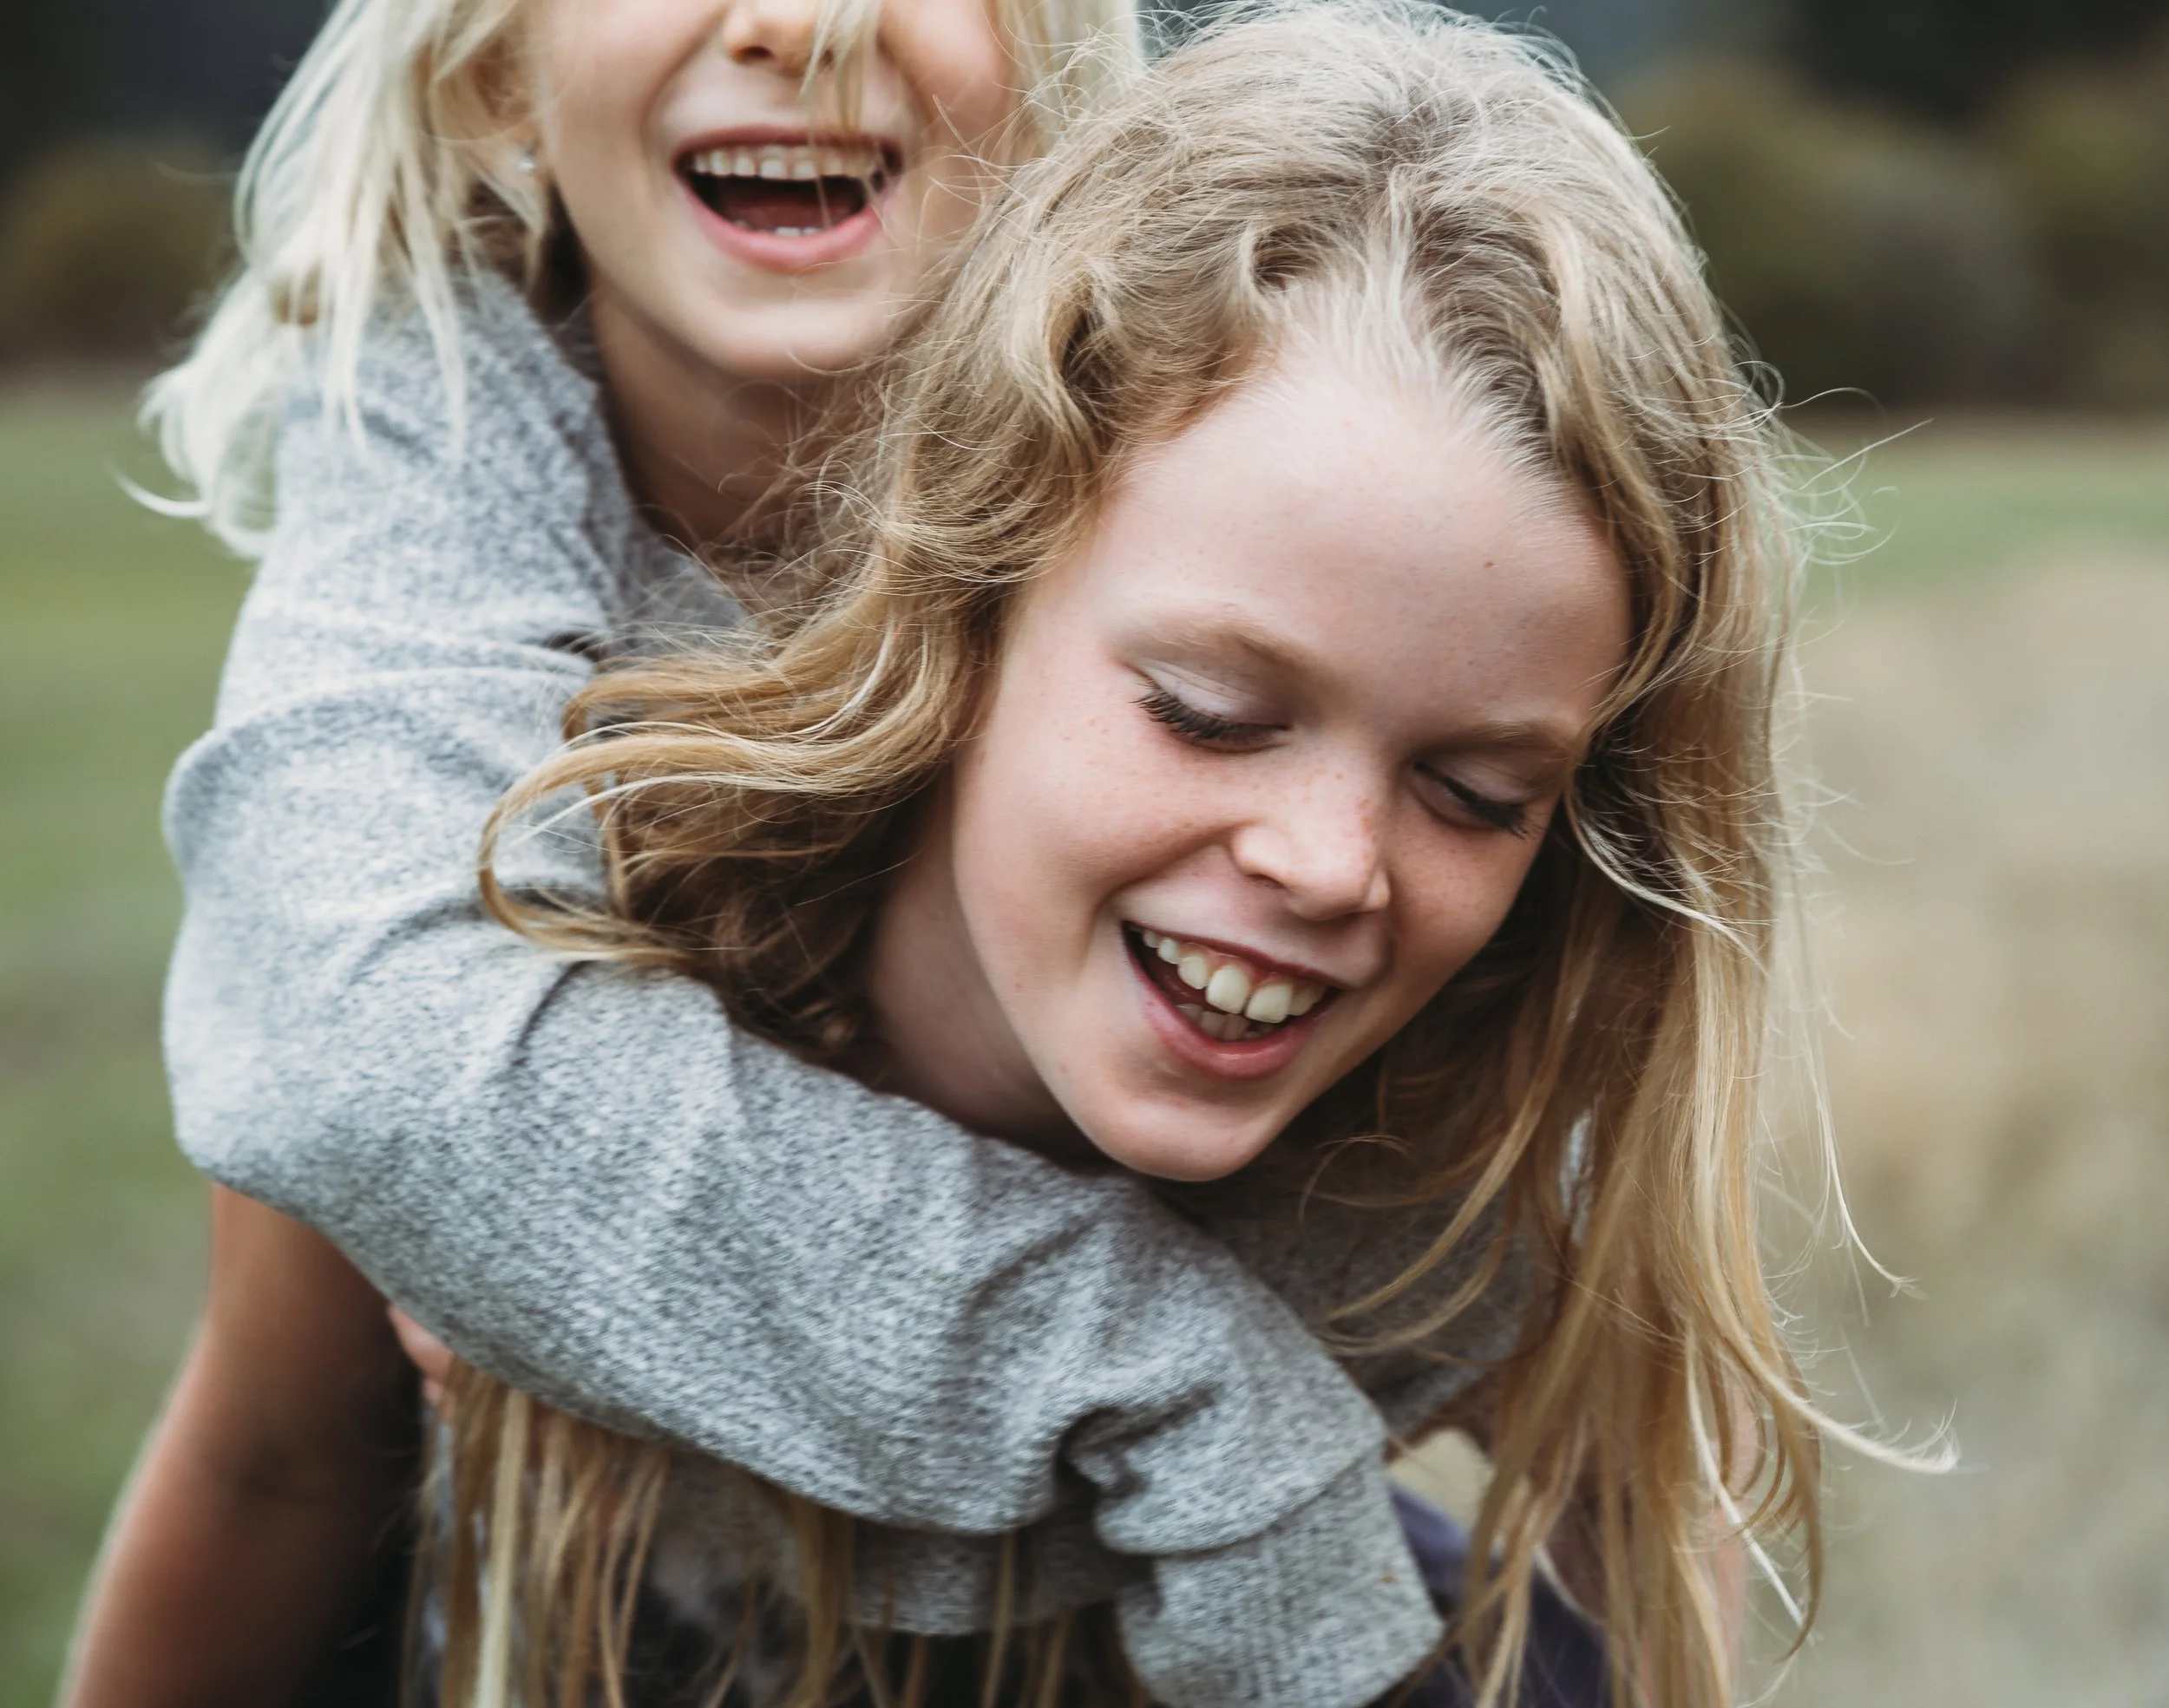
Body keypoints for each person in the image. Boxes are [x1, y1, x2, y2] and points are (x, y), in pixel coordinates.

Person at [62, 0, 1510, 1704]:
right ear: (491, 75)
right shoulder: (438, 736)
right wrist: (1171, 1384)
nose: (800, 24)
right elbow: (276, 1439)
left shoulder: (1229, 569)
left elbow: (1594, 1352)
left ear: (1059, 74)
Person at [424, 4, 1834, 1704]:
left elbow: (1660, 1497)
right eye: (1208, 712)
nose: (1327, 865)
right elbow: (259, 1467)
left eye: (1472, 796)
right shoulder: (554, 972)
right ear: (965, 603)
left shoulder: (1459, 1174)